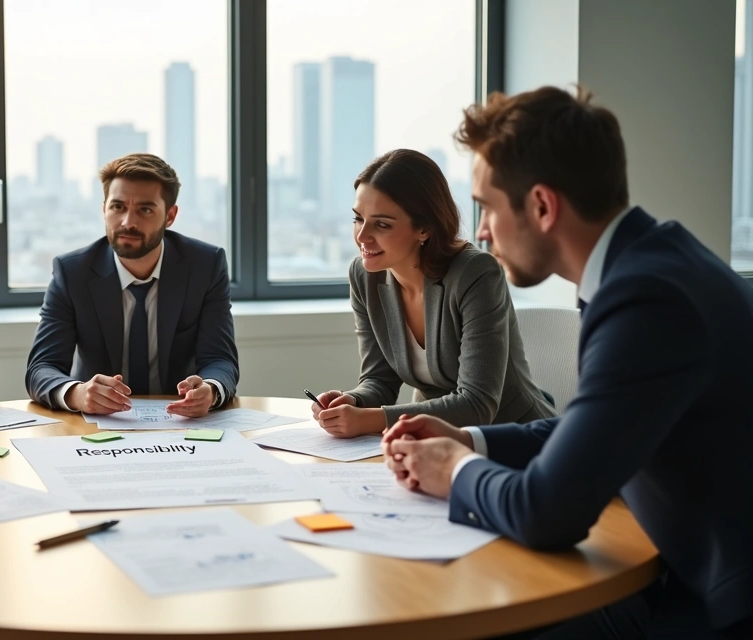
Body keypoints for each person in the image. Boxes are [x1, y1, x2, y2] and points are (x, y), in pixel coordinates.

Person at [382, 87, 753, 638]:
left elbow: (545, 513)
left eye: (486, 207)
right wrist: (473, 443)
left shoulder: (647, 301)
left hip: (711, 604)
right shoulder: (654, 264)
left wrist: (452, 471)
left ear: (542, 206)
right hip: (673, 569)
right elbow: (593, 429)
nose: (480, 231)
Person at [309, 149, 556, 438]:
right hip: (428, 443)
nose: (362, 236)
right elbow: (378, 380)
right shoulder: (365, 276)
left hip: (512, 439)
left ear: (424, 229)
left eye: (382, 224)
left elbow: (477, 403)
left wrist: (368, 420)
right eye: (358, 219)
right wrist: (352, 401)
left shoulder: (475, 273)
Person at [25, 153, 238, 418]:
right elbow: (41, 367)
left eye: (145, 210)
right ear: (104, 209)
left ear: (170, 216)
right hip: (98, 425)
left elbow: (220, 359)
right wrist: (77, 393)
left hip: (180, 423)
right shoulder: (72, 272)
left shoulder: (205, 266)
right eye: (118, 207)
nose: (128, 222)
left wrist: (210, 389)